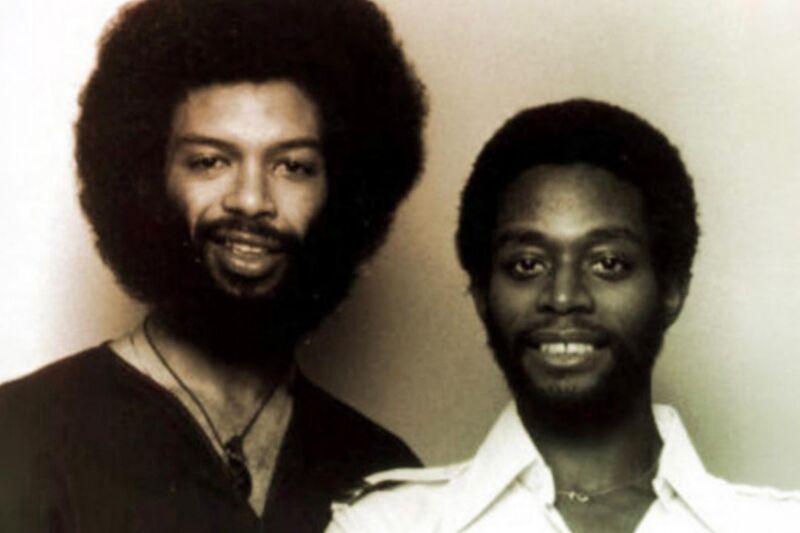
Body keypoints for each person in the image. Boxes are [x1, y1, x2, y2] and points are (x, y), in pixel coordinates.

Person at [0, 0, 426, 531]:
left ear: (343, 192)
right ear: (146, 180)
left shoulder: (382, 473)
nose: (251, 200)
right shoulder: (21, 433)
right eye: (210, 161)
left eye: (293, 166)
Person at [327, 100, 800, 532]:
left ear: (672, 291)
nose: (563, 296)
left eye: (608, 263)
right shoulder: (385, 526)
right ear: (482, 293)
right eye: (526, 264)